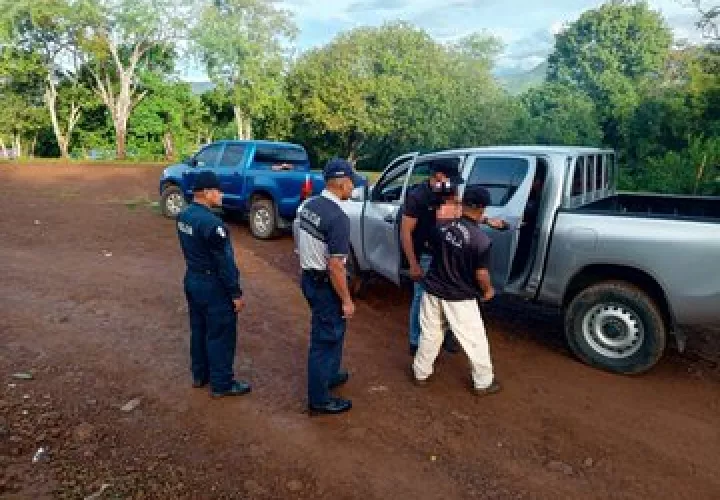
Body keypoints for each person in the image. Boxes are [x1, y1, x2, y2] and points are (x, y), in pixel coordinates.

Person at [401, 159, 505, 355]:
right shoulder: (417, 196)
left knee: (449, 292)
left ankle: (446, 336)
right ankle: (416, 341)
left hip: (448, 248)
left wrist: (486, 220)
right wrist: (413, 263)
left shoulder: (449, 188)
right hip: (426, 253)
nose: (455, 186)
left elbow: (459, 210)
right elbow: (406, 231)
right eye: (452, 179)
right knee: (421, 297)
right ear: (439, 176)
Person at [411, 185, 501, 396]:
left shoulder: (442, 228)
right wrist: (488, 291)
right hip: (460, 298)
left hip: (432, 291)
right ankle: (483, 383)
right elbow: (481, 274)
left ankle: (420, 374)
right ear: (482, 208)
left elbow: (433, 250)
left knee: (430, 335)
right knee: (475, 340)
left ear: (463, 203)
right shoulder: (481, 240)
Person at [295, 158, 363, 416]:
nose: (353, 189)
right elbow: (336, 266)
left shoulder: (308, 205)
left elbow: (299, 239)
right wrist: (346, 299)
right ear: (343, 183)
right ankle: (319, 399)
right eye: (351, 184)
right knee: (324, 340)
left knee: (333, 331)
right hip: (325, 285)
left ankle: (330, 375)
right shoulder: (338, 217)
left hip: (309, 278)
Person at [176, 171, 251, 398]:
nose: (221, 195)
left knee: (199, 329)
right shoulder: (212, 224)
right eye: (218, 191)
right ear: (207, 193)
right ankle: (222, 384)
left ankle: (200, 375)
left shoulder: (184, 215)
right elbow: (225, 263)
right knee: (220, 333)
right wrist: (235, 293)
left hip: (193, 278)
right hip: (212, 285)